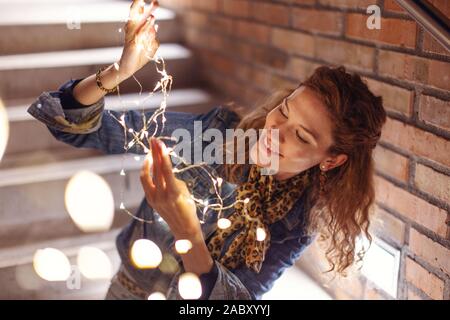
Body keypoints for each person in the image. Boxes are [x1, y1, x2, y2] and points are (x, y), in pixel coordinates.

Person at [27, 0, 387, 300]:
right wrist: (120, 72)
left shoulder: (298, 219)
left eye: (302, 137)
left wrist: (189, 234)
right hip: (131, 290)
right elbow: (70, 126)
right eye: (284, 110)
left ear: (331, 159)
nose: (274, 131)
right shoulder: (217, 135)